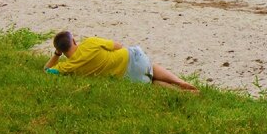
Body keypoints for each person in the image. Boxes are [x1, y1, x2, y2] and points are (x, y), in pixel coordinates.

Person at [44, 31, 199, 93]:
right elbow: (118, 46)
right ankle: (179, 82)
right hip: (132, 58)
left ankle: (180, 92)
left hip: (127, 76)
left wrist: (57, 54)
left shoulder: (67, 67)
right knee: (151, 67)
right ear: (74, 40)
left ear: (62, 51)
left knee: (150, 82)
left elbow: (47, 70)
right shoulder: (90, 43)